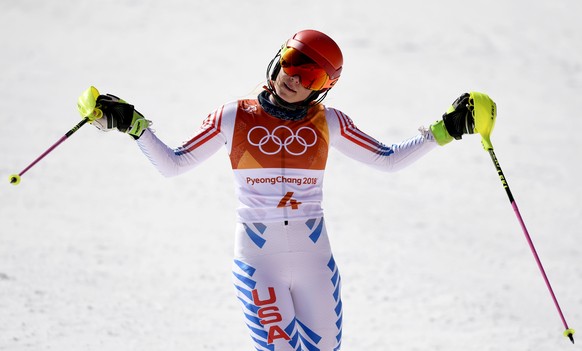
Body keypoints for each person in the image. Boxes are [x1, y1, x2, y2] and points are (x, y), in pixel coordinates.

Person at [77, 29, 495, 351]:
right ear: (277, 59)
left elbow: (388, 159)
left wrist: (448, 130)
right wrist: (132, 125)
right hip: (260, 264)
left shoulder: (330, 122)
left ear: (323, 85)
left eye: (309, 73)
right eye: (291, 62)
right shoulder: (232, 116)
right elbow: (174, 164)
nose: (293, 77)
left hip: (316, 264)